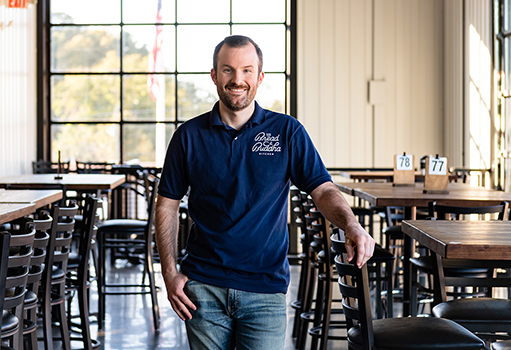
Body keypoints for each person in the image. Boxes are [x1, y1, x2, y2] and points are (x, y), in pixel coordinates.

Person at [155, 35, 375, 349]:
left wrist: (350, 224)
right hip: (202, 287)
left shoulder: (287, 132)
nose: (237, 79)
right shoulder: (188, 136)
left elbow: (322, 188)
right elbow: (166, 206)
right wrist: (169, 271)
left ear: (259, 77)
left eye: (247, 70)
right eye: (228, 70)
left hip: (265, 290)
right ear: (214, 75)